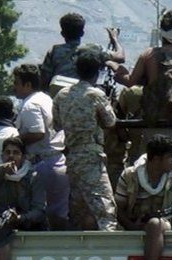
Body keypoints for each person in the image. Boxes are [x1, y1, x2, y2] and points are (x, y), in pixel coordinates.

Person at [106, 11, 172, 136]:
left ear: (162, 34)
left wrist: (115, 67)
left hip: (151, 124)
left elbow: (129, 81)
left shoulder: (149, 55)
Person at [52, 48, 118, 231]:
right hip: (91, 156)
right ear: (97, 73)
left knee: (78, 209)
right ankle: (109, 253)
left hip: (72, 157)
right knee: (105, 209)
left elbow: (57, 125)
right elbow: (110, 121)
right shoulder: (95, 95)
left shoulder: (62, 95)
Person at [12, 64, 69, 230]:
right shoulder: (46, 98)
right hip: (57, 161)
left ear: (28, 85)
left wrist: (13, 140)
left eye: (17, 83)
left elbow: (37, 133)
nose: (14, 87)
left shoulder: (30, 105)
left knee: (41, 216)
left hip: (43, 164)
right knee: (58, 215)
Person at [40, 12, 124, 91]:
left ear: (62, 33)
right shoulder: (93, 49)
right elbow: (120, 57)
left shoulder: (55, 51)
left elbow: (45, 79)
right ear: (82, 33)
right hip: (85, 94)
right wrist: (114, 39)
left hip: (57, 94)